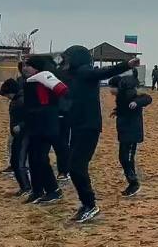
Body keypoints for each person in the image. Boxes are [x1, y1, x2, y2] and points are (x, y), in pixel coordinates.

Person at [57, 45, 139, 223]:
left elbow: (104, 72)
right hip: (78, 126)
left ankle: (90, 205)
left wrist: (127, 64)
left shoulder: (85, 72)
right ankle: (87, 204)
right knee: (74, 166)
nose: (65, 61)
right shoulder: (72, 76)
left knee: (77, 167)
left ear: (77, 59)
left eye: (67, 58)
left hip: (88, 127)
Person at [20, 55, 67, 205]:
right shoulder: (29, 81)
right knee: (33, 158)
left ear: (37, 67)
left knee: (41, 158)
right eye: (24, 65)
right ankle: (37, 190)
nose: (25, 68)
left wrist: (51, 111)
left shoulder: (43, 76)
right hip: (34, 124)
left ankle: (53, 190)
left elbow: (62, 90)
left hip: (46, 124)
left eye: (29, 65)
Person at [111, 70, 152, 197]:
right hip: (124, 132)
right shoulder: (121, 97)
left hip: (132, 133)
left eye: (112, 87)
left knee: (126, 158)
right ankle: (132, 182)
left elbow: (147, 98)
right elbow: (123, 108)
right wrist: (116, 111)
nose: (110, 90)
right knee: (123, 158)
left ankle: (134, 183)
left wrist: (136, 103)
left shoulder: (130, 94)